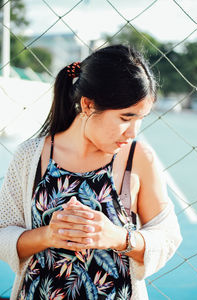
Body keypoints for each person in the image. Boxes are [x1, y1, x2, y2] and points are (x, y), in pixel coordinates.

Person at [0, 44, 182, 300]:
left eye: (141, 118)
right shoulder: (31, 156)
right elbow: (3, 231)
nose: (133, 132)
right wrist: (48, 235)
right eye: (125, 118)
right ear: (87, 105)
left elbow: (168, 237)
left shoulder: (137, 158)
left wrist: (118, 238)